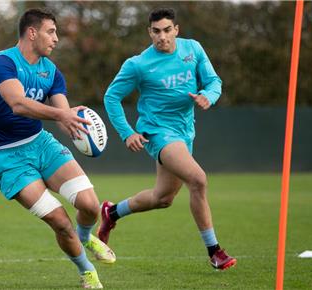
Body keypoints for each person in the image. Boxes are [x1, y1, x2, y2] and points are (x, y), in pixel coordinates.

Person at [0, 8, 115, 289]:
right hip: (6, 157)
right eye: (51, 32)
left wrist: (76, 125)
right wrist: (61, 116)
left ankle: (86, 235)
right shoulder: (2, 63)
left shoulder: (51, 71)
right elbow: (17, 104)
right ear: (32, 33)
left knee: (90, 205)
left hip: (40, 144)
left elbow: (62, 112)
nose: (56, 39)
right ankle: (87, 271)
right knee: (60, 221)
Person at [99, 7, 236, 270]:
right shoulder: (138, 64)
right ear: (149, 32)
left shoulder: (193, 49)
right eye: (156, 31)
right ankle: (215, 252)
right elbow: (111, 97)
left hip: (185, 131)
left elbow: (213, 81)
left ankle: (112, 212)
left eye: (167, 30)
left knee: (163, 198)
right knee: (198, 180)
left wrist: (209, 95)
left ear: (176, 30)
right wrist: (127, 133)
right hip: (158, 132)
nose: (162, 37)